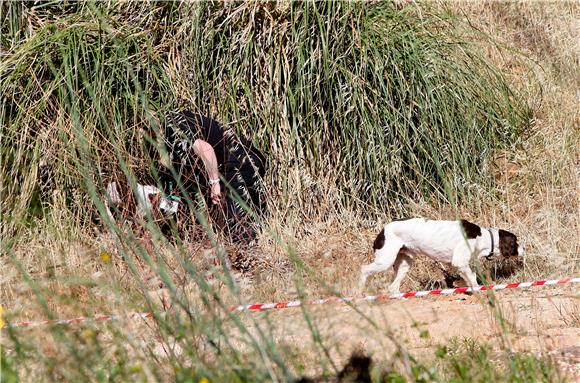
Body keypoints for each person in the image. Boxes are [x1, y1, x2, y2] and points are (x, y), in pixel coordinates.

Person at [156, 110, 266, 243]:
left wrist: (214, 183)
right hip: (232, 162)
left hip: (241, 161)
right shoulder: (170, 135)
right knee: (232, 220)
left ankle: (248, 255)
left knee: (239, 226)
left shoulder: (173, 125)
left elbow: (206, 149)